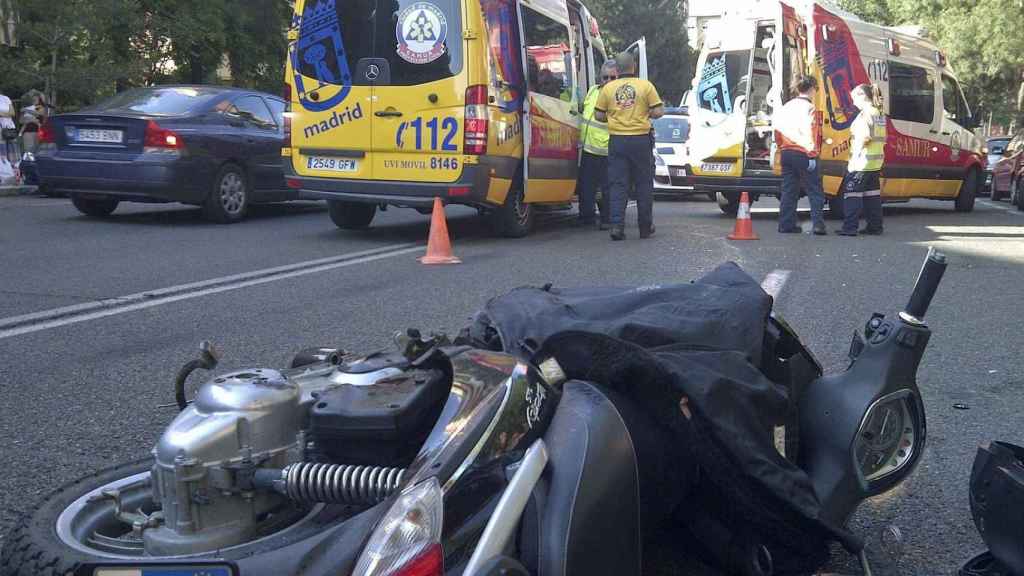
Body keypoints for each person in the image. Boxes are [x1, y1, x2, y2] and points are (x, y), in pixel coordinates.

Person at [596, 52, 664, 240]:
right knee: (643, 184)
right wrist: (644, 112)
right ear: (633, 66)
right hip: (641, 141)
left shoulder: (608, 89)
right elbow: (658, 111)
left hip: (617, 141)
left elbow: (598, 116)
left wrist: (616, 114)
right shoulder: (645, 86)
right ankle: (644, 227)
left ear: (616, 69)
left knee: (618, 184)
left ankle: (616, 227)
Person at [773, 75, 826, 235]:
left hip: (787, 153)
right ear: (811, 89)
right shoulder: (810, 108)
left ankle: (785, 225)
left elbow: (777, 131)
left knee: (789, 191)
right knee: (814, 190)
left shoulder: (786, 106)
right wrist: (813, 155)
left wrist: (783, 147)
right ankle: (818, 225)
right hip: (804, 152)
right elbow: (814, 133)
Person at [836, 84, 886, 236]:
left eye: (854, 98)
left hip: (862, 162)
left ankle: (850, 228)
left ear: (862, 96)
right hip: (875, 163)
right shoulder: (879, 113)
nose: (853, 103)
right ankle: (875, 227)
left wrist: (854, 159)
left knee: (852, 195)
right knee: (872, 196)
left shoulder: (865, 114)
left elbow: (865, 137)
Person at [578, 60, 618, 230]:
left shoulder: (618, 96)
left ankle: (607, 220)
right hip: (588, 149)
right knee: (586, 187)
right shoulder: (593, 91)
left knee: (608, 188)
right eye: (604, 77)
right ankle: (586, 218)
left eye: (612, 77)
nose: (607, 80)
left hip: (607, 149)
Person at [0, 90, 15, 164]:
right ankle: (4, 169)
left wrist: (1, 114)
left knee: (11, 151)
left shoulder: (6, 98)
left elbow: (12, 113)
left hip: (9, 127)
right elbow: (9, 113)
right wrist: (6, 114)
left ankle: (13, 169)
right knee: (2, 151)